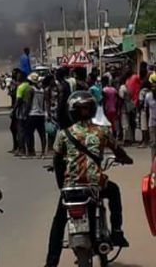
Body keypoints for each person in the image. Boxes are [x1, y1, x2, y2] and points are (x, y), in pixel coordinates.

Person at [45, 91, 133, 267]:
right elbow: (118, 151)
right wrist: (125, 159)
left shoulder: (64, 134)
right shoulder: (102, 132)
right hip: (96, 185)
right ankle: (116, 231)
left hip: (71, 186)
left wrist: (62, 186)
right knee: (114, 191)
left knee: (59, 222)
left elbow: (57, 160)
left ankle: (52, 262)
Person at [25, 73, 47, 158]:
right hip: (41, 114)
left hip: (32, 114)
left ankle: (31, 152)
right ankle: (43, 152)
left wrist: (26, 114)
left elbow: (28, 103)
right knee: (42, 134)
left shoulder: (30, 89)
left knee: (29, 133)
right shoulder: (42, 90)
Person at [143, 80, 156, 159]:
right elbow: (146, 109)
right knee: (153, 143)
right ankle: (153, 162)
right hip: (152, 122)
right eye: (152, 87)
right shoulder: (148, 96)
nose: (154, 89)